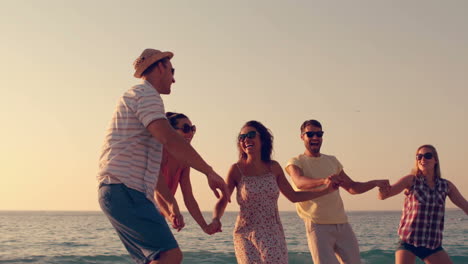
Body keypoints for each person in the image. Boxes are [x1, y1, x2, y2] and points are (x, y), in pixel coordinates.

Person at [97, 48, 229, 264]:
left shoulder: (136, 95)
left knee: (155, 259)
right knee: (170, 256)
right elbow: (168, 137)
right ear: (160, 67)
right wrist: (209, 171)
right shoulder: (146, 94)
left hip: (119, 191)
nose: (174, 79)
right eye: (171, 71)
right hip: (124, 189)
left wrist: (173, 207)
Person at [213, 120, 337, 264]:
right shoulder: (236, 170)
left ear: (262, 139)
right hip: (245, 233)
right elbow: (223, 200)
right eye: (242, 137)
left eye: (251, 135)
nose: (246, 139)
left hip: (272, 233)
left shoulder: (274, 167)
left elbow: (294, 196)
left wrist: (326, 190)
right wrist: (216, 219)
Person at [285, 119, 390, 264]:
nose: (315, 137)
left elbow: (352, 187)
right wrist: (324, 181)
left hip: (342, 223)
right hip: (317, 224)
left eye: (319, 134)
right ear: (302, 136)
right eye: (310, 134)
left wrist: (374, 183)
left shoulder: (332, 161)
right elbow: (299, 182)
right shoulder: (296, 161)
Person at [378, 144, 468, 264]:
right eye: (419, 156)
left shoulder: (445, 185)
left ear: (435, 160)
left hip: (432, 244)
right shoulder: (411, 180)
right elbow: (385, 195)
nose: (422, 159)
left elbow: (464, 205)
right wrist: (382, 191)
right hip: (409, 241)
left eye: (427, 156)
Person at [154, 112, 221, 234]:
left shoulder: (184, 161)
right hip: (142, 211)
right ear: (171, 132)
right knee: (171, 253)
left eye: (192, 129)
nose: (190, 133)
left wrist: (204, 226)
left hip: (158, 216)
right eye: (186, 129)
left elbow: (188, 196)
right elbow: (157, 191)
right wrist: (172, 214)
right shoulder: (161, 153)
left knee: (167, 253)